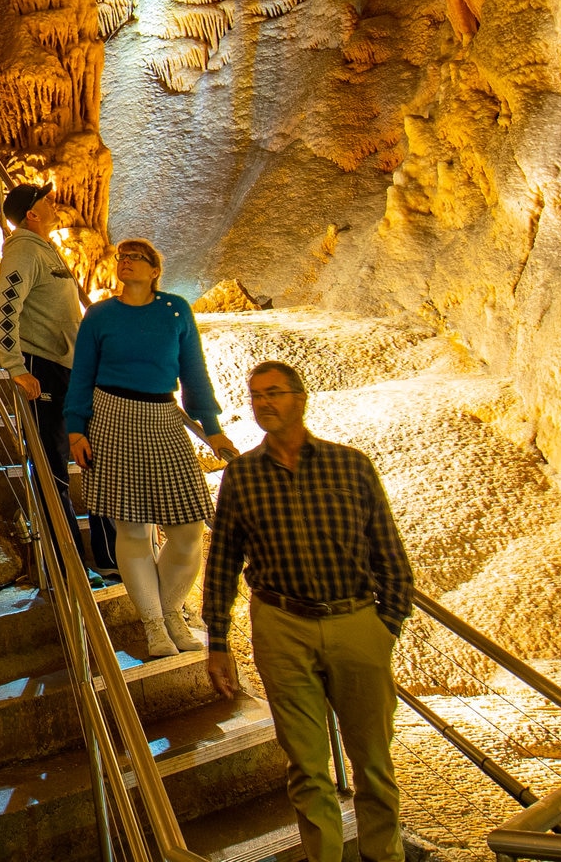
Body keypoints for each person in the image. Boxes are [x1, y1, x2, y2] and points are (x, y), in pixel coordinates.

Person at [204, 360, 414, 862]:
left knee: (374, 763)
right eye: (256, 396)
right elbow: (224, 560)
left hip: (356, 620)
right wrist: (217, 641)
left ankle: (384, 855)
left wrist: (386, 624)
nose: (264, 404)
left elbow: (387, 549)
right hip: (282, 625)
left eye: (274, 393)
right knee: (306, 764)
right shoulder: (242, 476)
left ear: (300, 398)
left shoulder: (351, 465)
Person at [65, 237, 235, 658]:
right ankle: (155, 625)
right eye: (123, 257)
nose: (127, 263)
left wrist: (211, 428)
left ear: (155, 270)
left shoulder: (175, 310)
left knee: (189, 526)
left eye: (137, 258)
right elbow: (82, 373)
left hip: (163, 418)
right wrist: (76, 429)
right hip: (110, 415)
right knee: (133, 529)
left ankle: (172, 610)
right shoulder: (100, 314)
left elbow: (194, 372)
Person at [0, 183, 107, 566]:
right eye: (45, 199)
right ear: (31, 214)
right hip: (42, 369)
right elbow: (5, 307)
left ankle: (105, 554)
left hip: (68, 369)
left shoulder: (43, 249)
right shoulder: (23, 249)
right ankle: (65, 560)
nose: (53, 202)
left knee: (90, 454)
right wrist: (15, 367)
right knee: (52, 462)